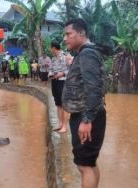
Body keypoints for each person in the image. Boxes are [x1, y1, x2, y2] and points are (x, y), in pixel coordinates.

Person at [62, 18, 107, 188]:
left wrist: (87, 120)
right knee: (89, 163)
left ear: (81, 34)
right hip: (88, 114)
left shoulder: (87, 53)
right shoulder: (86, 53)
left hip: (86, 116)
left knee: (84, 165)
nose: (65, 38)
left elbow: (94, 88)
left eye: (68, 34)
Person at [48, 41, 69, 133]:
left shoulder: (66, 56)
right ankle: (60, 124)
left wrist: (63, 73)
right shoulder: (53, 59)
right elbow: (51, 69)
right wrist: (50, 74)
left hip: (63, 82)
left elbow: (73, 70)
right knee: (58, 104)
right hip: (55, 82)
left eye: (50, 48)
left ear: (53, 48)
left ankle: (64, 126)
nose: (50, 50)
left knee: (64, 104)